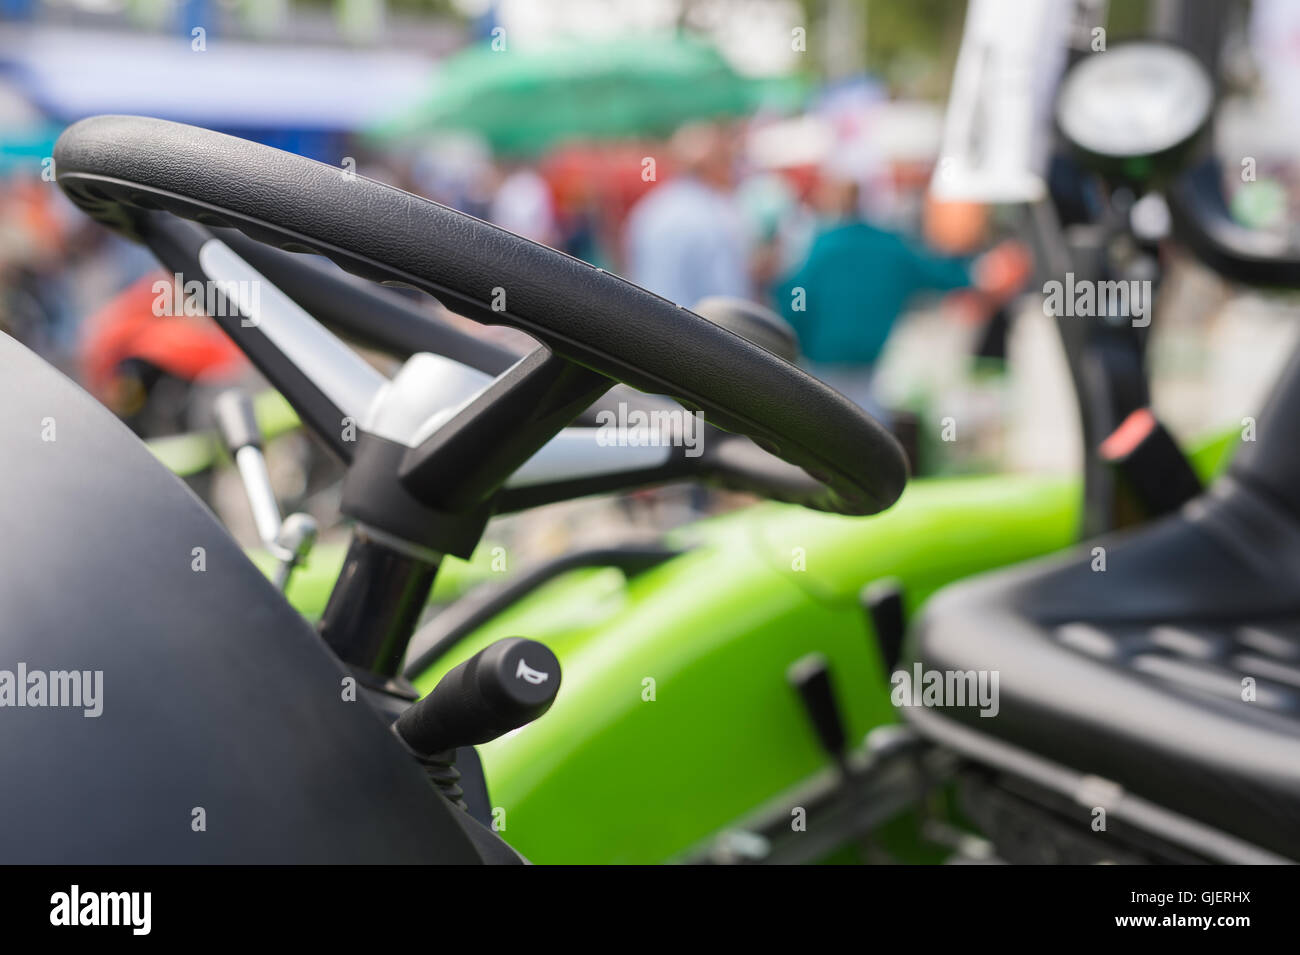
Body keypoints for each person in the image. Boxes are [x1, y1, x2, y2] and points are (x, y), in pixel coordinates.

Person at [773, 171, 1028, 416]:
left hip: (825, 364)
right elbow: (943, 275)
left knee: (824, 433)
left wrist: (797, 345)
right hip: (873, 366)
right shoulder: (891, 248)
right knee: (867, 434)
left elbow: (793, 299)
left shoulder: (822, 247)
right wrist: (986, 270)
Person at [624, 122, 751, 306]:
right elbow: (728, 299)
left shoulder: (649, 208)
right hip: (699, 328)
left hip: (650, 322)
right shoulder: (714, 215)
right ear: (712, 165)